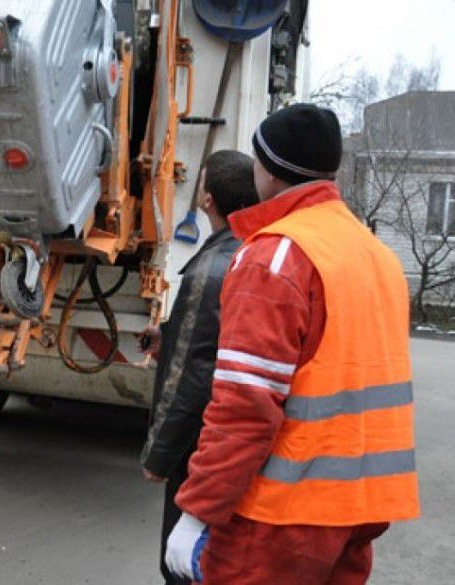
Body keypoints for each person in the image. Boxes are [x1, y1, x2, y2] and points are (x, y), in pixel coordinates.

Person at [165, 104, 420, 584]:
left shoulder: (276, 255)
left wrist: (198, 510)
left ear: (269, 167)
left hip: (283, 514)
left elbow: (245, 407)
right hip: (360, 506)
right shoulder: (374, 254)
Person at [140, 150, 259, 585]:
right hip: (232, 445)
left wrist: (160, 455)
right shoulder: (248, 253)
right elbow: (220, 345)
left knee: (182, 564)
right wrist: (168, 337)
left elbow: (191, 374)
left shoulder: (209, 270)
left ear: (207, 199)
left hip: (199, 447)